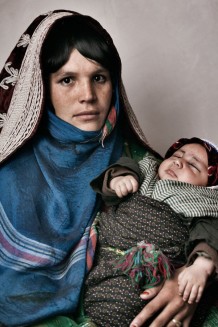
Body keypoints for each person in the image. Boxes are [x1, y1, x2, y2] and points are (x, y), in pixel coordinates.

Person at [0, 9, 217, 327]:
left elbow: (202, 220)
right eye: (67, 79)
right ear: (42, 87)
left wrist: (189, 283)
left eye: (99, 78)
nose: (87, 96)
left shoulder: (138, 160)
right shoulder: (9, 174)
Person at [83, 137, 218, 327]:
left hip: (156, 269)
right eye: (177, 155)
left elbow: (210, 234)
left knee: (137, 303)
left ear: (210, 185)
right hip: (112, 255)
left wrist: (202, 265)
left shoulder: (205, 203)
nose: (179, 161)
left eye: (193, 165)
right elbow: (121, 167)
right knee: (106, 296)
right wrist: (119, 179)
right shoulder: (144, 169)